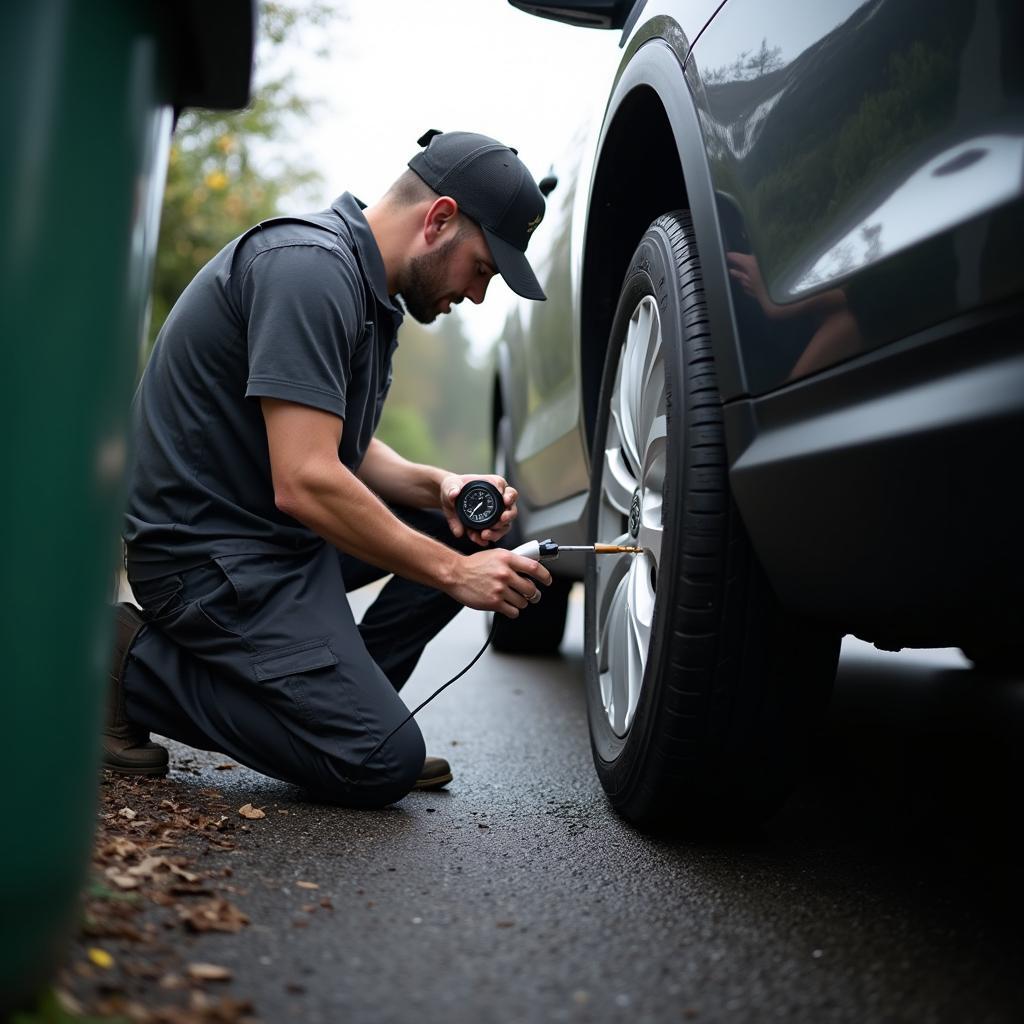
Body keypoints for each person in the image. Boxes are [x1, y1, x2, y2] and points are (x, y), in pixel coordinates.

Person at [104, 130, 554, 808]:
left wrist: (443, 487)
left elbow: (338, 445)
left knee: (458, 525)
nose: (480, 295)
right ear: (438, 221)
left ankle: (344, 711)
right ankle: (126, 664)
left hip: (267, 541)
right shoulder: (309, 269)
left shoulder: (366, 290)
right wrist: (455, 575)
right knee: (378, 764)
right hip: (205, 559)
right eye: (484, 269)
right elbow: (308, 478)